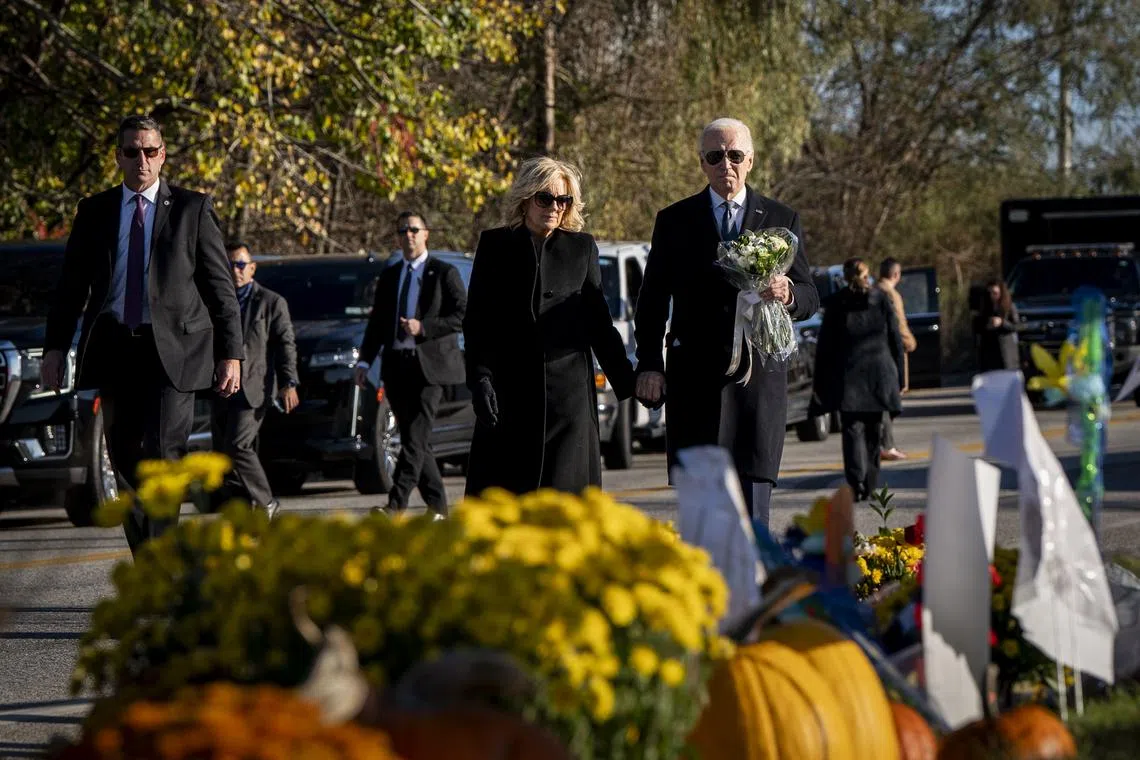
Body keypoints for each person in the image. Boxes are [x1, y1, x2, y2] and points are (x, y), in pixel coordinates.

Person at [42, 115, 243, 553]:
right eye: (132, 152)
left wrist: (232, 354)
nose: (142, 160)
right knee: (127, 462)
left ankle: (165, 565)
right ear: (119, 157)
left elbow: (220, 290)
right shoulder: (94, 212)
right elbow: (71, 287)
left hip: (173, 352)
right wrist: (55, 348)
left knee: (164, 457)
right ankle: (149, 562)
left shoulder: (192, 209)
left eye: (150, 151)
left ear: (163, 154)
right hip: (115, 349)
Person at [632, 117, 819, 525]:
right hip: (695, 386)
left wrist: (788, 293)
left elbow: (810, 296)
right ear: (702, 163)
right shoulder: (674, 220)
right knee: (702, 525)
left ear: (750, 160)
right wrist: (649, 364)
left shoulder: (781, 218)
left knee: (753, 524)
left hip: (757, 387)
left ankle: (752, 590)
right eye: (715, 156)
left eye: (735, 155)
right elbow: (651, 301)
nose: (726, 165)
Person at [463, 157, 635, 496]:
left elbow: (600, 325)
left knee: (564, 508)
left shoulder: (581, 248)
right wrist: (479, 378)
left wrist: (632, 382)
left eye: (563, 200)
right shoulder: (495, 246)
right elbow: (477, 323)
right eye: (545, 198)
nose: (554, 207)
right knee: (508, 506)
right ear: (526, 198)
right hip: (508, 398)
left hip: (568, 402)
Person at [354, 211, 467, 518]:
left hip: (430, 369)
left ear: (426, 233)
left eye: (414, 230)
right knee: (416, 440)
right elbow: (377, 322)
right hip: (397, 365)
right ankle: (439, 509)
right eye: (403, 231)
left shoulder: (443, 272)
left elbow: (462, 315)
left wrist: (424, 327)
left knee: (416, 437)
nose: (409, 236)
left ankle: (396, 504)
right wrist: (364, 361)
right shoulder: (391, 276)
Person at [211, 242, 299, 518]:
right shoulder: (217, 300)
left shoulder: (270, 302)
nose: (235, 271)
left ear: (251, 268)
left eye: (239, 265)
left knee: (239, 445)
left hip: (253, 387)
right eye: (229, 265)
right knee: (225, 454)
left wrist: (289, 382)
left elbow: (286, 343)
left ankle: (266, 502)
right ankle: (244, 509)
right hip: (222, 387)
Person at [811, 258, 905, 501]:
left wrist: (821, 383)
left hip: (849, 376)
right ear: (868, 274)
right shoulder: (881, 299)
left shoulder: (837, 304)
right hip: (878, 375)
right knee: (875, 431)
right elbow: (895, 338)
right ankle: (871, 483)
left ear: (844, 276)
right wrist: (900, 376)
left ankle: (857, 482)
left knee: (852, 432)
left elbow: (825, 348)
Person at [875, 257, 916, 461]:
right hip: (890, 354)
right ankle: (886, 445)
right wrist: (910, 342)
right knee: (888, 402)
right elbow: (898, 325)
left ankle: (884, 443)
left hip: (878, 353)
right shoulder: (890, 294)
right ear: (896, 275)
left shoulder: (874, 290)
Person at [974, 278, 1020, 372]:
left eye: (995, 293)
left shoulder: (1009, 307)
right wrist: (987, 325)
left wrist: (1002, 323)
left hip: (1006, 353)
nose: (992, 296)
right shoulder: (984, 308)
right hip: (989, 354)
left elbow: (1016, 326)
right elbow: (977, 327)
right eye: (989, 293)